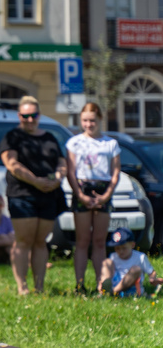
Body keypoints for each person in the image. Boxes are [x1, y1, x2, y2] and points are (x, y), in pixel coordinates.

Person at [0, 96, 67, 295]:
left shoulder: (49, 137)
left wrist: (57, 178)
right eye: (25, 116)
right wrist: (36, 181)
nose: (30, 119)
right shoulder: (12, 137)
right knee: (23, 241)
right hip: (22, 194)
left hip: (48, 194)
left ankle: (39, 287)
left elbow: (61, 162)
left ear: (39, 115)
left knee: (40, 241)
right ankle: (23, 288)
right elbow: (12, 165)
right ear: (19, 116)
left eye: (34, 115)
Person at [66, 102, 121, 293]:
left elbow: (115, 172)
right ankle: (79, 284)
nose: (89, 124)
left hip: (103, 189)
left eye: (92, 120)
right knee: (82, 240)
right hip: (82, 187)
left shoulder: (110, 143)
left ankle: (101, 284)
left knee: (99, 241)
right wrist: (79, 194)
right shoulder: (74, 142)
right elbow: (71, 172)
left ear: (100, 120)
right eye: (85, 121)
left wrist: (106, 195)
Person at [99, 228, 163, 297]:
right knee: (107, 262)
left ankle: (113, 292)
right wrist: (102, 280)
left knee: (136, 269)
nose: (121, 251)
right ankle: (105, 287)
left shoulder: (140, 257)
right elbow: (109, 270)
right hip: (116, 282)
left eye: (124, 248)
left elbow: (152, 272)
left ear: (132, 245)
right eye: (117, 248)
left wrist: (152, 278)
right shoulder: (113, 256)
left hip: (132, 288)